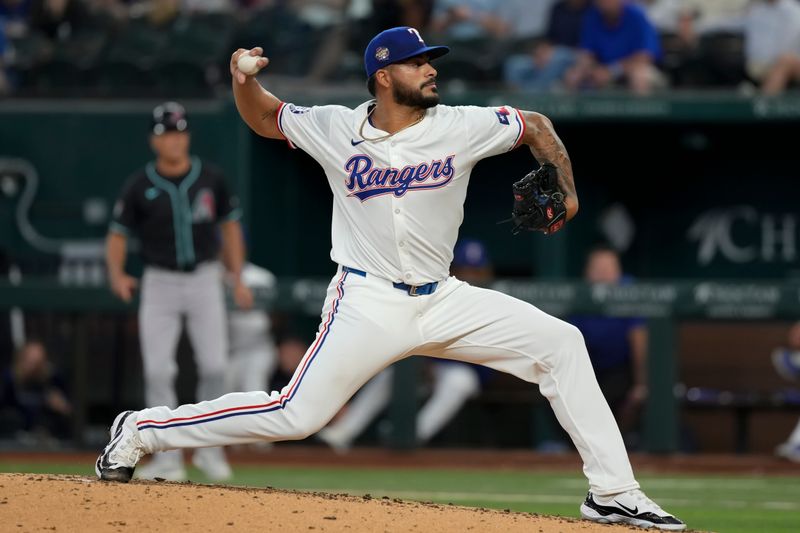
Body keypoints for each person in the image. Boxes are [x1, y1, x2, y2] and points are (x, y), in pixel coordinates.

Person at [96, 27, 685, 530]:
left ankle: (611, 491)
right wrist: (243, 80)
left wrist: (569, 190)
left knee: (561, 343)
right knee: (296, 416)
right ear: (383, 76)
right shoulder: (333, 127)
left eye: (431, 62)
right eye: (419, 62)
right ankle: (145, 429)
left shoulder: (461, 125)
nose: (432, 71)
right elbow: (266, 119)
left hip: (444, 296)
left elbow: (534, 124)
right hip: (368, 300)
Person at [105, 101, 253, 482]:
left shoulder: (211, 178)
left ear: (187, 135)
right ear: (154, 141)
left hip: (204, 277)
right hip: (159, 281)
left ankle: (211, 449)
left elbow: (231, 229)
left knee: (215, 366)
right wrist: (117, 273)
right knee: (158, 369)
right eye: (166, 133)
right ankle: (165, 456)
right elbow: (117, 234)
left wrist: (237, 277)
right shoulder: (140, 183)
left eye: (179, 132)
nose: (174, 139)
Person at [316, 239, 491, 452]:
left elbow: (489, 361)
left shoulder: (488, 301)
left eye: (476, 271)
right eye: (465, 269)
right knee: (390, 375)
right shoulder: (439, 292)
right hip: (425, 365)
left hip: (462, 372)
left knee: (459, 382)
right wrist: (426, 363)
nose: (471, 276)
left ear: (486, 272)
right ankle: (342, 433)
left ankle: (413, 438)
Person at [569, 245, 648, 447]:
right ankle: (573, 450)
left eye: (609, 268)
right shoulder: (582, 295)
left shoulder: (628, 291)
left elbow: (639, 341)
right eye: (598, 268)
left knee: (612, 392)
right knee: (555, 389)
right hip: (590, 366)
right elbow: (570, 342)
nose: (604, 274)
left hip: (621, 369)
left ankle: (613, 447)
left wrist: (642, 384)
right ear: (588, 272)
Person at [564, 0, 664, 95]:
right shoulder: (592, 16)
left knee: (640, 76)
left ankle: (641, 112)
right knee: (574, 75)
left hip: (635, 68)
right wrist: (589, 69)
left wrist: (613, 71)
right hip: (601, 68)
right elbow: (586, 52)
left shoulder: (637, 15)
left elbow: (645, 56)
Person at [504, 0, 590, 92]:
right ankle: (515, 101)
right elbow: (549, 37)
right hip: (552, 52)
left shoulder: (590, 11)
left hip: (575, 55)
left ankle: (534, 97)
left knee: (560, 56)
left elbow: (588, 48)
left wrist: (553, 53)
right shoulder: (558, 8)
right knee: (514, 64)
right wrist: (542, 52)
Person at [0, 340, 72, 442]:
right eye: (30, 362)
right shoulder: (8, 380)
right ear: (20, 360)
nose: (34, 367)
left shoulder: (54, 380)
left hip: (46, 439)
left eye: (38, 363)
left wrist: (62, 407)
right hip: (13, 440)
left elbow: (70, 413)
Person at [744, 0, 800, 96]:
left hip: (787, 62)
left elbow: (788, 46)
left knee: (786, 61)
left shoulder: (793, 11)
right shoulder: (757, 10)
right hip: (760, 64)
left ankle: (764, 103)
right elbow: (734, 24)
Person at [771, 321, 800, 462]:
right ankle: (796, 446)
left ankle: (797, 445)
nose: (796, 337)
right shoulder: (786, 355)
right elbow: (788, 366)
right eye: (795, 334)